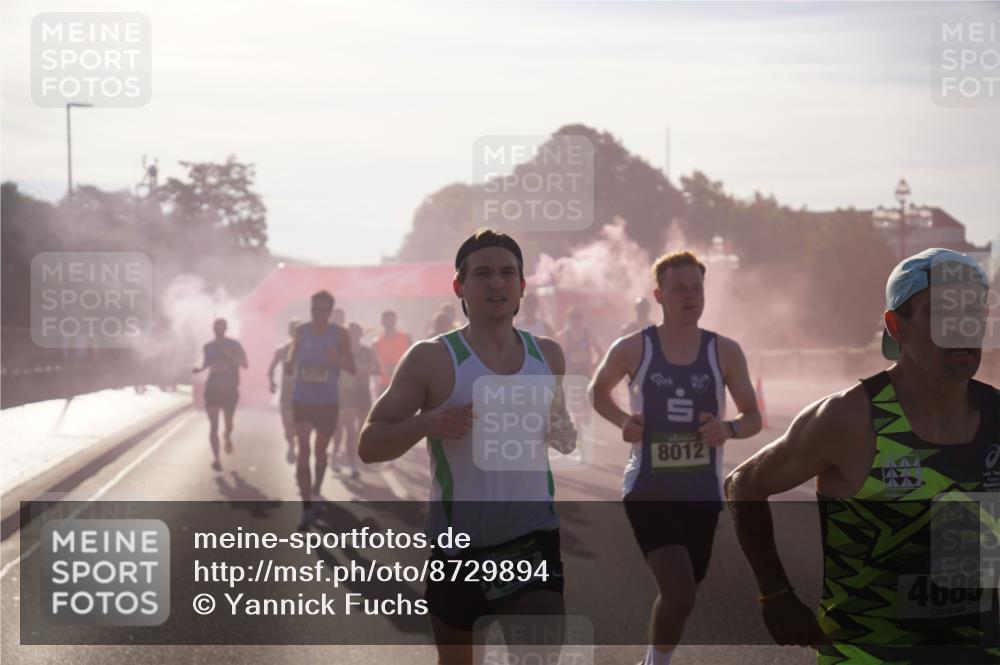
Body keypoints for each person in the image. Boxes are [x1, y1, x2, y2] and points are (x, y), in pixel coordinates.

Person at [725, 248, 998, 664]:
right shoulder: (849, 417)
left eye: (973, 311)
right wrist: (776, 594)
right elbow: (744, 483)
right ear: (896, 325)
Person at [359, 228, 577, 665]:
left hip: (531, 540)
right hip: (458, 549)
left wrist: (564, 434)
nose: (496, 282)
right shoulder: (432, 359)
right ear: (460, 286)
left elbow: (563, 430)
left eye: (507, 273)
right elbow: (369, 444)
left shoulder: (548, 356)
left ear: (522, 286)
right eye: (482, 273)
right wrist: (427, 423)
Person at [589, 251, 761, 665]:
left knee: (684, 593)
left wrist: (729, 429)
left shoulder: (725, 351)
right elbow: (597, 390)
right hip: (648, 486)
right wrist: (623, 420)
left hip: (701, 491)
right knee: (680, 590)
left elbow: (752, 417)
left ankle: (652, 660)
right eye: (679, 289)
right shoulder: (634, 348)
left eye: (696, 288)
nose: (690, 296)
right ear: (659, 295)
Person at [288, 290, 355, 529]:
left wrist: (338, 361)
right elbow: (293, 355)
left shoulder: (340, 334)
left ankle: (316, 490)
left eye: (323, 310)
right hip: (302, 399)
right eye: (314, 309)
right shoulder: (301, 330)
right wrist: (289, 365)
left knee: (320, 451)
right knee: (303, 448)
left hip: (327, 401)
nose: (318, 314)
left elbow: (352, 367)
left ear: (330, 312)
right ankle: (306, 505)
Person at [193, 318, 248, 472]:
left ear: (226, 328)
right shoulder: (208, 347)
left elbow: (245, 364)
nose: (219, 330)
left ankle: (227, 435)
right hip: (213, 389)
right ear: (213, 329)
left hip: (230, 389)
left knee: (229, 424)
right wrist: (199, 368)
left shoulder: (234, 345)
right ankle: (216, 459)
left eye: (222, 327)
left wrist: (231, 358)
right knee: (213, 425)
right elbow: (205, 363)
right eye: (216, 327)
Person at [335, 322, 379, 479]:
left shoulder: (368, 351)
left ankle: (357, 456)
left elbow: (377, 369)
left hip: (363, 392)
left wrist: (366, 369)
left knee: (362, 429)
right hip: (347, 393)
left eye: (356, 332)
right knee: (350, 430)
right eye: (350, 333)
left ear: (361, 334)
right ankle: (352, 462)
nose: (353, 335)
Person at [268, 318, 300, 464]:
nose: (296, 333)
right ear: (289, 332)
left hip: (304, 393)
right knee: (288, 426)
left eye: (298, 330)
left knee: (301, 425)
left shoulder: (309, 350)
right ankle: (291, 446)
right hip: (287, 393)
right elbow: (271, 369)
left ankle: (298, 445)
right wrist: (271, 383)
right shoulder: (282, 350)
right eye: (293, 330)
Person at [373, 310, 412, 396]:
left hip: (403, 382)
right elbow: (375, 365)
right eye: (387, 321)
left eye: (391, 320)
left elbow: (414, 359)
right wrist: (376, 385)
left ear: (395, 321)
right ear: (382, 322)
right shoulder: (377, 342)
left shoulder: (406, 338)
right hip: (384, 384)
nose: (389, 323)